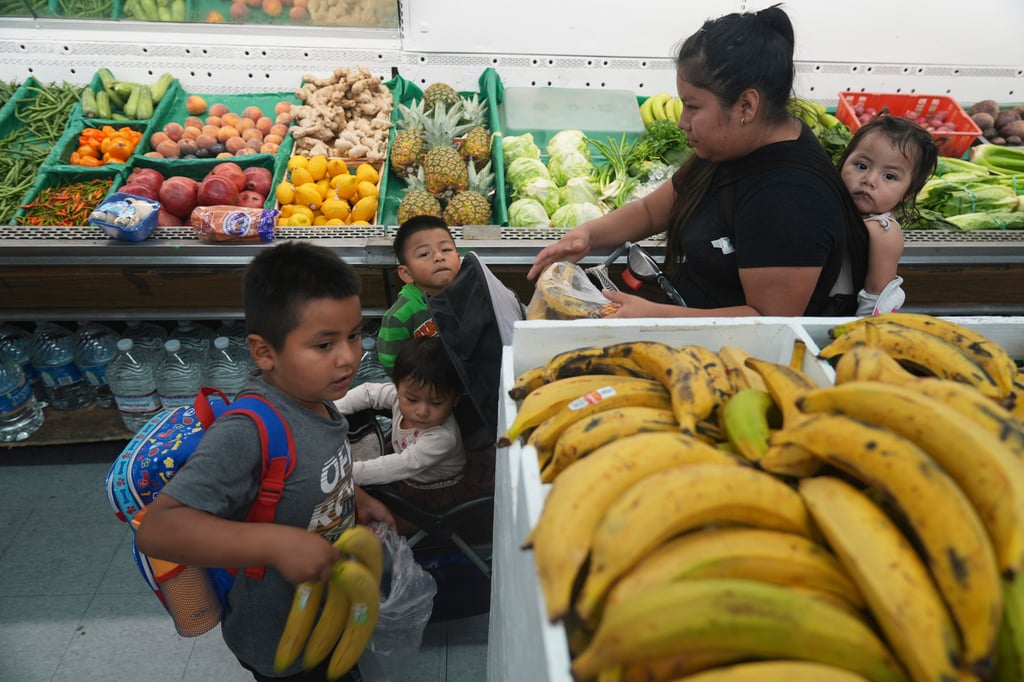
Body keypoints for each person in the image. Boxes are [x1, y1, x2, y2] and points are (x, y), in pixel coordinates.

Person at [136, 241, 395, 682]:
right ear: (264, 352)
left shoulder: (318, 399)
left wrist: (355, 494)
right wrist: (278, 544)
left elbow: (306, 472)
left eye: (354, 334)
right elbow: (160, 530)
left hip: (326, 608)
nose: (349, 356)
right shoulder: (250, 431)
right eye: (324, 344)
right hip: (280, 631)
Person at [528, 6, 869, 317]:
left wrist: (652, 316)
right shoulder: (728, 148)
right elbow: (651, 211)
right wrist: (586, 235)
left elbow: (768, 324)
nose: (681, 122)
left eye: (692, 106)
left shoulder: (791, 198)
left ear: (746, 106)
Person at [335, 335, 467, 512]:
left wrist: (343, 474)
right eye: (412, 400)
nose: (422, 411)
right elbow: (368, 393)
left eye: (436, 403)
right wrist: (332, 410)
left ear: (455, 400)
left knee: (385, 519)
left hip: (430, 490)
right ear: (397, 387)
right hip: (404, 463)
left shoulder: (442, 437)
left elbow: (398, 465)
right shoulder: (399, 395)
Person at [837, 115, 938, 316]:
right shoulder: (836, 206)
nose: (869, 180)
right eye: (861, 166)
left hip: (841, 316)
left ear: (908, 193)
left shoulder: (883, 232)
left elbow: (875, 299)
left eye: (889, 176)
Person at [377, 215, 461, 375]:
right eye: (424, 254)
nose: (439, 257)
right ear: (406, 273)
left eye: (446, 250)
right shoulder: (400, 316)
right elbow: (391, 361)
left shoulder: (469, 296)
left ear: (459, 260)